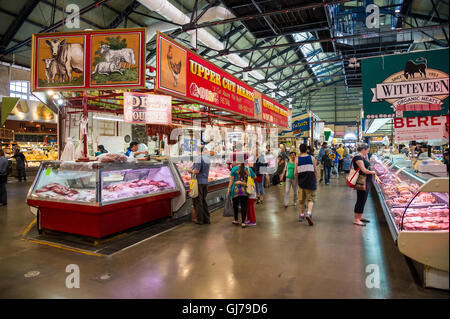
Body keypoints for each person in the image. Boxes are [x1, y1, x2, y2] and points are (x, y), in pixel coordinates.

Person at [353, 144, 377, 226]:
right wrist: (373, 172)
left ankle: (360, 216)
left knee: (364, 199)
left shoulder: (362, 157)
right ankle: (356, 219)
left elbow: (367, 165)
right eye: (367, 150)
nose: (368, 151)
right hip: (362, 181)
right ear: (363, 149)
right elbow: (364, 170)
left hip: (366, 180)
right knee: (361, 199)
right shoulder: (358, 157)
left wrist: (366, 158)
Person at [227, 162, 255, 228]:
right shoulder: (248, 169)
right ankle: (243, 222)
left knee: (235, 206)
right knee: (244, 206)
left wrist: (229, 189)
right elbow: (254, 177)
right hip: (245, 190)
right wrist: (245, 182)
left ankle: (236, 220)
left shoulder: (234, 169)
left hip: (235, 190)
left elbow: (231, 180)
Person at [295, 144, 317, 226]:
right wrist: (316, 180)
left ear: (299, 150)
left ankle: (301, 215)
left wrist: (297, 181)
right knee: (310, 198)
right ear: (307, 150)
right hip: (310, 181)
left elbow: (295, 172)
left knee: (301, 199)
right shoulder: (312, 158)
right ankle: (309, 213)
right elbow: (315, 171)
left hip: (301, 182)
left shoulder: (297, 159)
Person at [191, 146, 211, 225]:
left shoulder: (199, 158)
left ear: (198, 150)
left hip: (198, 182)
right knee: (203, 200)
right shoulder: (207, 158)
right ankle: (207, 219)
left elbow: (196, 171)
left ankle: (200, 220)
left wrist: (187, 169)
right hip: (205, 182)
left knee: (198, 201)